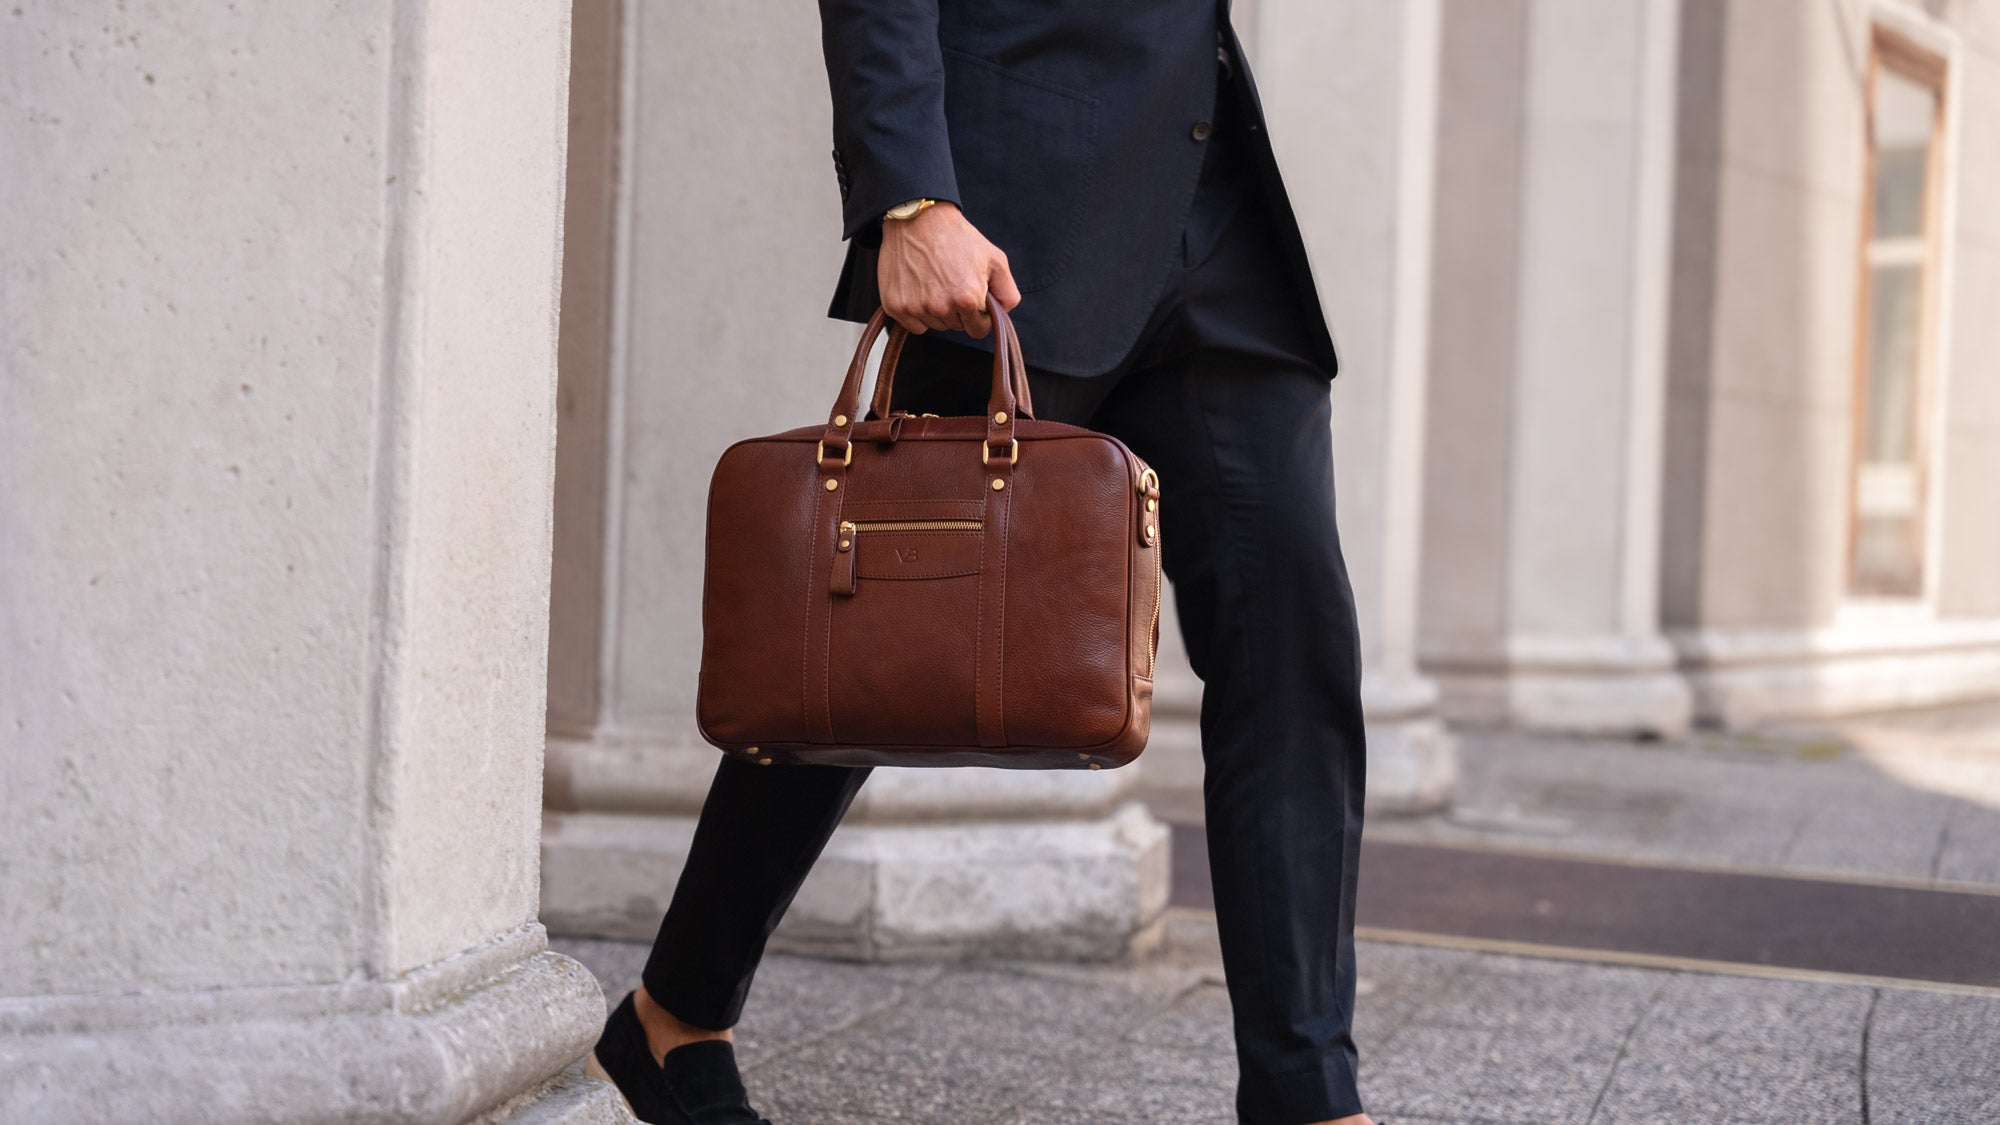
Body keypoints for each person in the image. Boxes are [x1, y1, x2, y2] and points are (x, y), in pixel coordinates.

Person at [587, 2, 1372, 1122]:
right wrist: (910, 192)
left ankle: (1307, 1093)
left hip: (1215, 211)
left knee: (1293, 637)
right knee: (870, 642)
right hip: (1017, 215)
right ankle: (675, 1015)